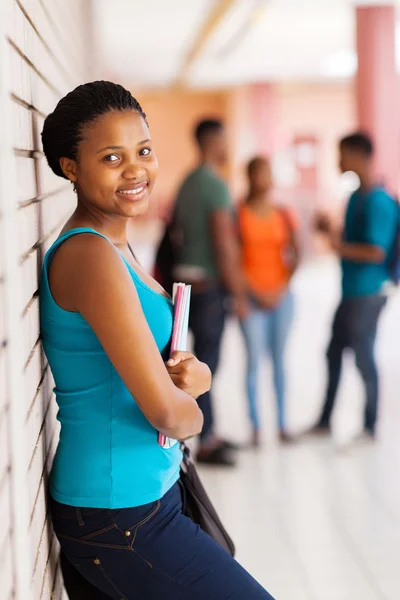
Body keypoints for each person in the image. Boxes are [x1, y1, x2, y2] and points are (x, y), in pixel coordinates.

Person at [40, 81, 274, 600]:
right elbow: (170, 414)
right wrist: (196, 397)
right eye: (111, 157)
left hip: (139, 495)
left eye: (143, 151)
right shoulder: (91, 256)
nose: (135, 169)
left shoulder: (114, 245)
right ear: (71, 167)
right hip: (121, 511)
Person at [310, 132, 399, 441]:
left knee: (364, 357)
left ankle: (370, 424)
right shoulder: (355, 197)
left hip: (368, 292)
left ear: (358, 155)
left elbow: (376, 251)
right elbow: (351, 239)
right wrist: (332, 233)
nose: (338, 161)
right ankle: (325, 421)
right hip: (350, 291)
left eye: (342, 154)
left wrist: (337, 245)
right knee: (334, 353)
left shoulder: (379, 200)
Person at [173, 119, 248, 466]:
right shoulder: (215, 185)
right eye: (224, 138)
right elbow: (223, 242)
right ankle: (205, 440)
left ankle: (207, 433)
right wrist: (239, 292)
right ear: (212, 140)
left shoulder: (186, 183)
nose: (227, 145)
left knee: (188, 363)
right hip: (209, 287)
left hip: (183, 284)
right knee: (205, 368)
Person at [238, 157, 299, 447]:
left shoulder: (283, 213)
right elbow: (233, 258)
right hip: (251, 300)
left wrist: (283, 287)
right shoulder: (238, 213)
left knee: (279, 361)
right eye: (261, 174)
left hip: (281, 298)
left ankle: (283, 424)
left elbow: (297, 252)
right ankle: (255, 427)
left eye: (269, 174)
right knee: (253, 363)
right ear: (250, 177)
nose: (266, 179)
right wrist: (253, 292)